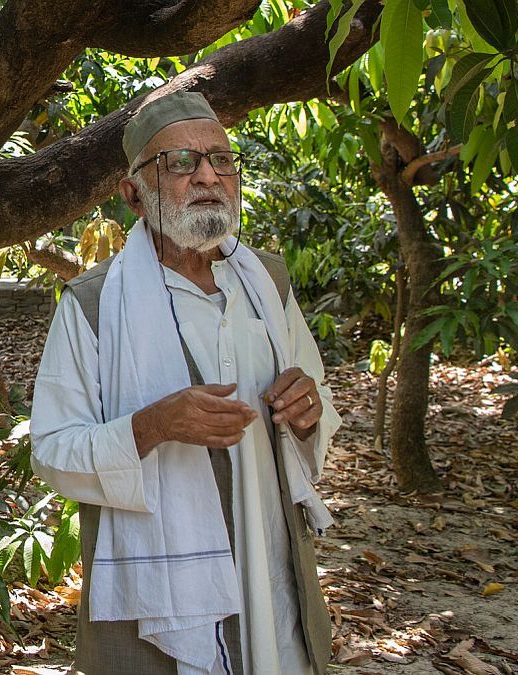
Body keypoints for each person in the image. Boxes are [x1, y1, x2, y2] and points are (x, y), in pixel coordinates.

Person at [30, 91, 341, 675]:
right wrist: (152, 426)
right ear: (133, 195)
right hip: (162, 598)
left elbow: (315, 401)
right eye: (180, 163)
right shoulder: (93, 306)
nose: (208, 176)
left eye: (222, 160)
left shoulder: (267, 284)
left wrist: (308, 410)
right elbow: (52, 450)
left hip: (269, 560)